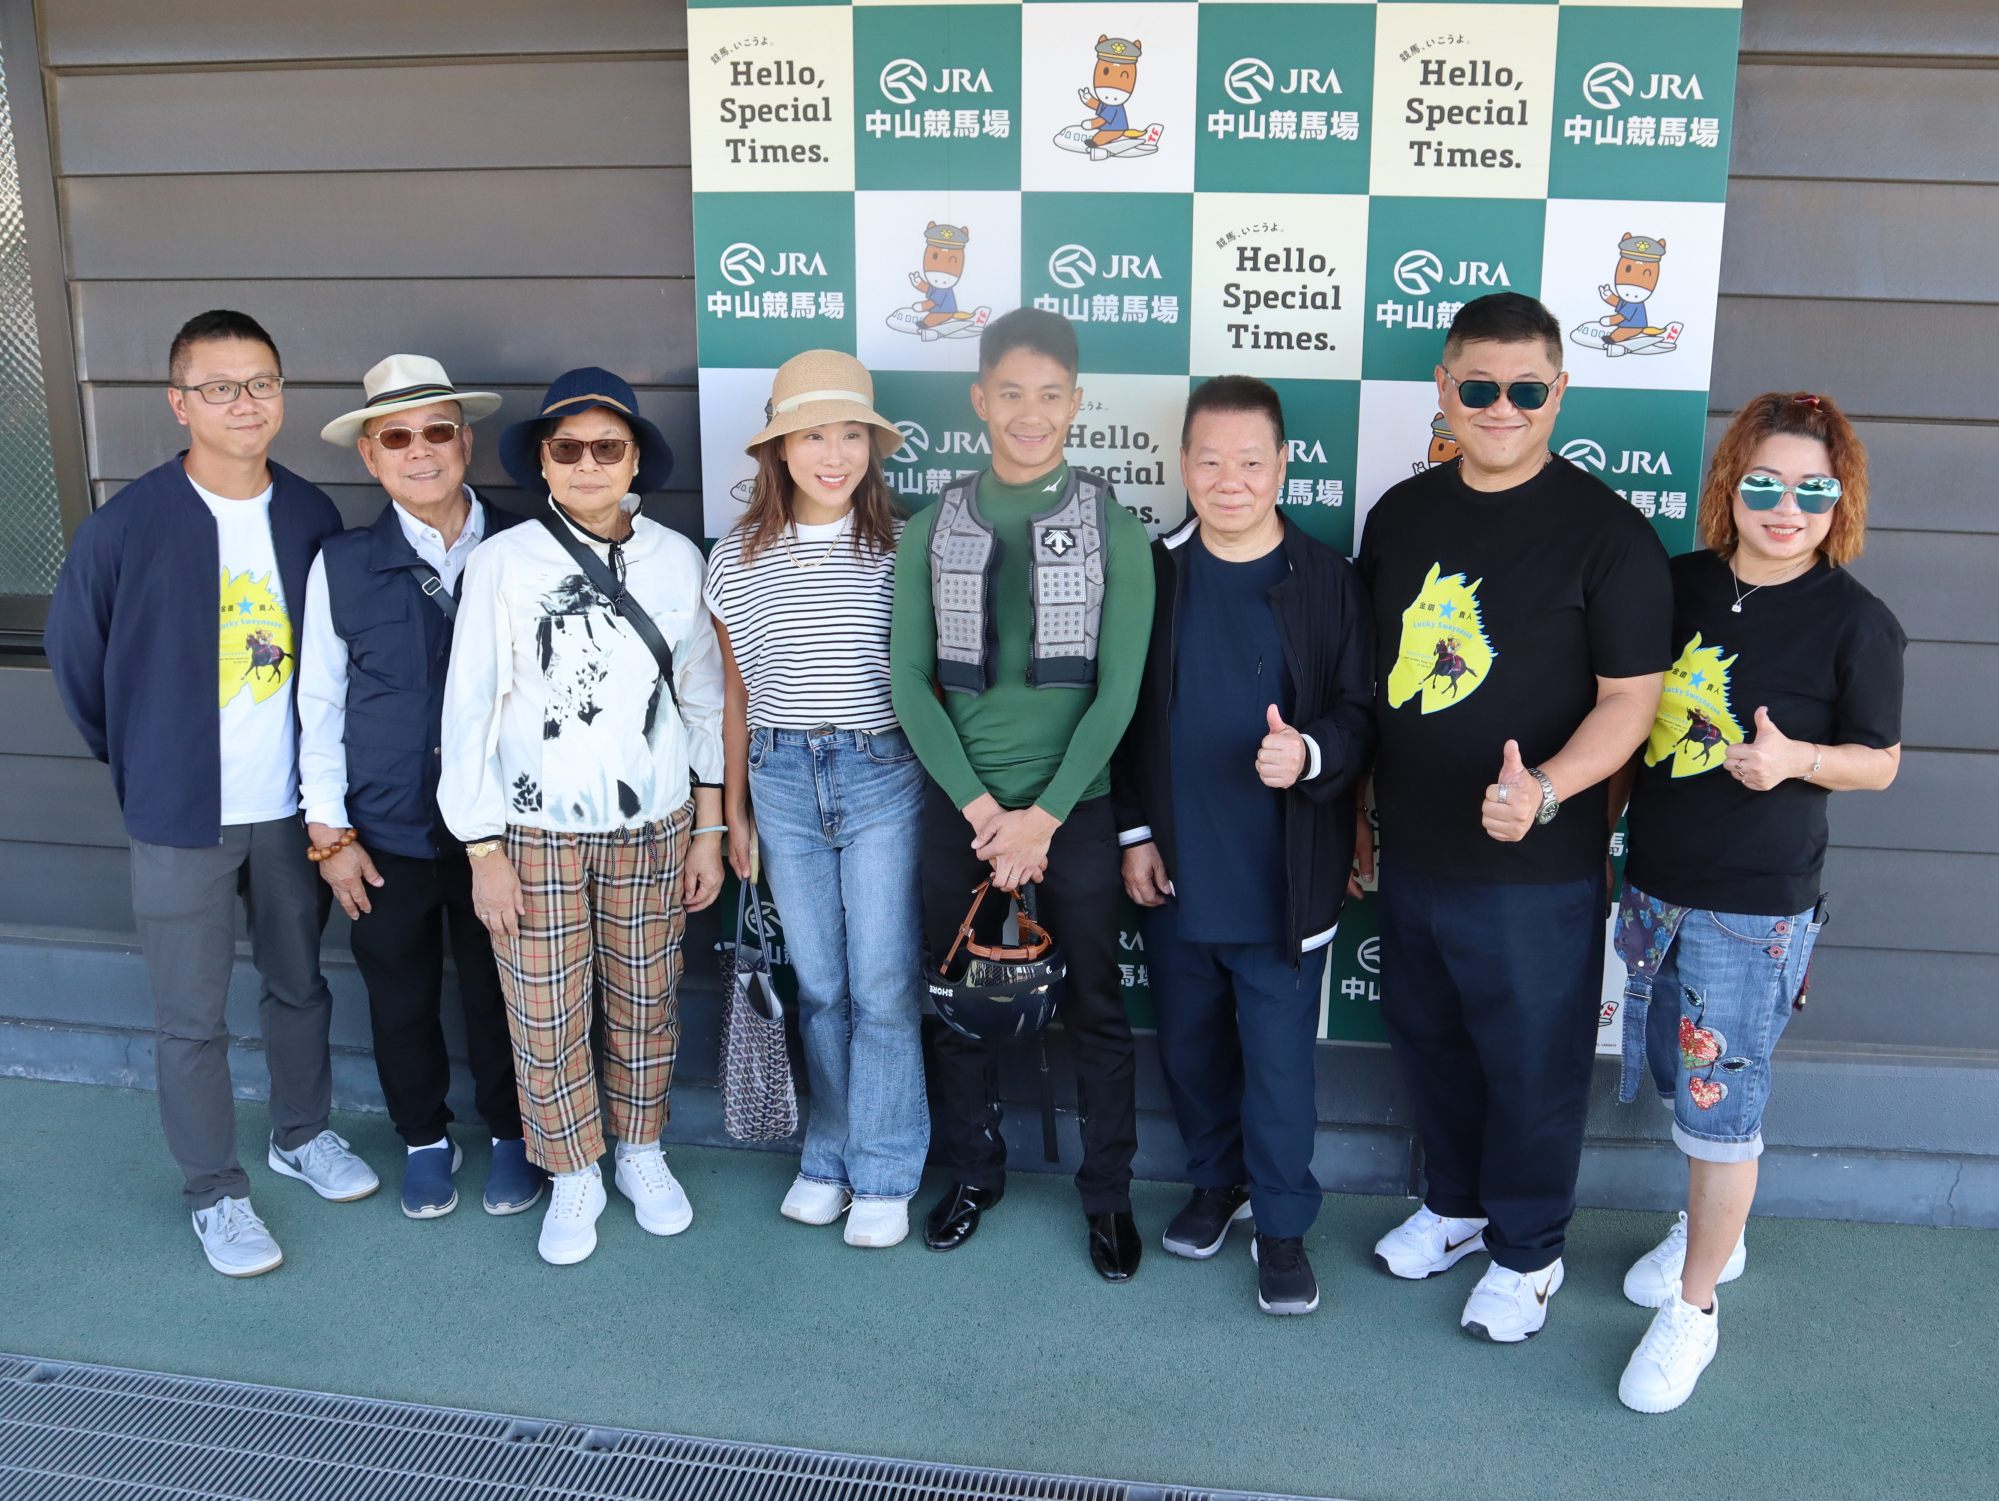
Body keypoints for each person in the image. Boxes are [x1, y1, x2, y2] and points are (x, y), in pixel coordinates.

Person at [1354, 292, 1672, 1341]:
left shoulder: (1609, 535)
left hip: (1539, 867)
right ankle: (1453, 1205)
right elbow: (1372, 684)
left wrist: (1545, 788)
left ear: (1557, 393)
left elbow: (1631, 700)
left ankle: (1528, 1252)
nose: (1501, 407)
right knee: (1431, 1042)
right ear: (1444, 387)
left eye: (1524, 388)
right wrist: (1358, 808)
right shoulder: (1399, 515)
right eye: (1478, 386)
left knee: (1531, 1066)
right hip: (1414, 849)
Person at [45, 309, 377, 1278]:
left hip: (289, 808)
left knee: (299, 983)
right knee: (189, 1015)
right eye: (220, 387)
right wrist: (150, 762)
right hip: (181, 816)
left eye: (262, 383)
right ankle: (213, 1191)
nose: (245, 403)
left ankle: (301, 1131)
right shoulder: (126, 526)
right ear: (178, 401)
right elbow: (78, 665)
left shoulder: (310, 516)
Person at [1608, 392, 1904, 1412]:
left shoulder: (1856, 620)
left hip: (1754, 909)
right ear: (1731, 485)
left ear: (1839, 499)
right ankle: (1709, 1238)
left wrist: (1797, 760)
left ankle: (1693, 1309)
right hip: (1650, 889)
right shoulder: (1674, 583)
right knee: (1665, 1073)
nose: (1787, 508)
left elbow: (1881, 764)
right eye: (1766, 484)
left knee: (1719, 1113)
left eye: (1811, 490)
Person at [438, 367, 726, 1266]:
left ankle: (640, 1148)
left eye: (609, 446)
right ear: (545, 463)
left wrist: (712, 825)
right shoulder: (502, 563)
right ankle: (571, 1170)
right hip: (534, 830)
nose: (589, 463)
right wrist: (481, 845)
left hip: (656, 823)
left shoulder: (678, 559)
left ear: (635, 456)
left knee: (645, 998)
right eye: (569, 448)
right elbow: (470, 708)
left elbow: (705, 702)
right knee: (545, 1007)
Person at [890, 308, 1156, 1280]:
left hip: (1071, 810)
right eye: (1011, 394)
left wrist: (1041, 816)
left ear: (1076, 404)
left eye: (1050, 395)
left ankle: (1108, 1195)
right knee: (958, 1003)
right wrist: (981, 811)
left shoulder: (1114, 527)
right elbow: (908, 680)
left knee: (1094, 1006)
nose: (1030, 413)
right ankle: (973, 1171)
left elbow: (1118, 690)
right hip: (960, 809)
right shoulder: (930, 524)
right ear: (978, 400)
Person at [1114, 376, 1375, 1316]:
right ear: (1182, 464)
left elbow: (1359, 714)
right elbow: (1124, 718)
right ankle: (1215, 1185)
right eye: (1210, 461)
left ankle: (1282, 1224)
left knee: (1276, 1063)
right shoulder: (1149, 569)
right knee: (1188, 1048)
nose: (1230, 480)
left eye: (1251, 461)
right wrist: (1135, 832)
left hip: (1284, 875)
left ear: (1282, 465)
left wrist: (1305, 752)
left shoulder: (1326, 576)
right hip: (1179, 869)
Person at [298, 354, 542, 1221]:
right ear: (370, 456)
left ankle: (515, 1134)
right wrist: (329, 836)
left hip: (504, 832)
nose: (420, 450)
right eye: (395, 436)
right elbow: (320, 702)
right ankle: (423, 1139)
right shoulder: (343, 563)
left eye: (438, 430)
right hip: (385, 832)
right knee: (399, 994)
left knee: (501, 989)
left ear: (465, 440)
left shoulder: (524, 546)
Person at [705, 351, 927, 1249]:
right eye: (810, 435)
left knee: (880, 983)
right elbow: (735, 694)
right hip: (781, 776)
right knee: (823, 985)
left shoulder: (903, 549)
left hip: (882, 773)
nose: (831, 454)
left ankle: (885, 1167)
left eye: (848, 435)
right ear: (779, 450)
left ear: (871, 448)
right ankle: (828, 1153)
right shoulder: (736, 557)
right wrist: (734, 809)